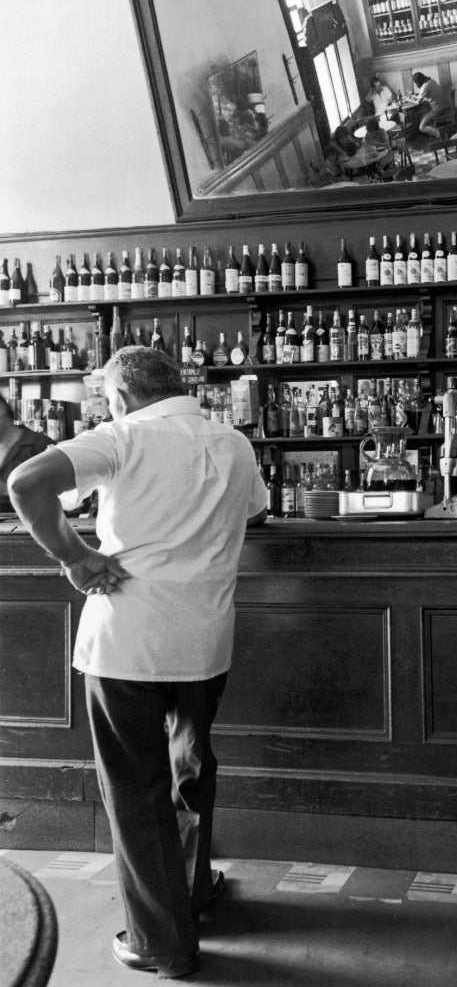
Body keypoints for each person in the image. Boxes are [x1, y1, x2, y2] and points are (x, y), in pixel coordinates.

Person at [7, 347, 267, 979]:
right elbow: (256, 509)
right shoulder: (232, 442)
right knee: (190, 767)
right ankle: (194, 891)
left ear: (120, 393)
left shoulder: (119, 436)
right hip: (205, 640)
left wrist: (75, 556)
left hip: (128, 640)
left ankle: (162, 943)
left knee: (134, 790)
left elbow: (26, 482)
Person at [0, 395, 53, 514]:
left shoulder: (42, 446)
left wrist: (6, 489)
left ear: (1, 408)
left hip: (28, 530)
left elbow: (63, 497)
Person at [410, 70, 445, 140]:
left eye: (416, 83)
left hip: (437, 109)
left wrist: (408, 99)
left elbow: (417, 103)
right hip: (441, 105)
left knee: (421, 127)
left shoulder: (425, 87)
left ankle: (438, 134)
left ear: (418, 82)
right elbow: (427, 96)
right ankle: (435, 133)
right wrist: (416, 97)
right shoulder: (431, 81)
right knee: (422, 116)